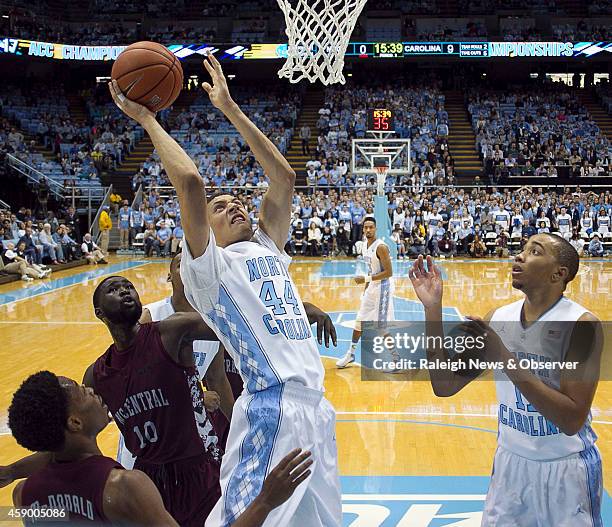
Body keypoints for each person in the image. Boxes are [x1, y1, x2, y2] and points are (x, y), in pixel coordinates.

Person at [109, 54, 341, 527]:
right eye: (220, 206)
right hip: (270, 406)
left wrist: (230, 109)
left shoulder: (266, 249)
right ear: (204, 231)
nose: (233, 203)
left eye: (238, 200)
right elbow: (191, 182)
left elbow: (284, 177)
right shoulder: (209, 270)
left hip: (317, 408)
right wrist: (147, 119)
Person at [409, 233, 603, 527]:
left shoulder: (581, 325)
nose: (520, 256)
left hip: (566, 469)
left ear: (558, 273)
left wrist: (503, 356)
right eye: (523, 249)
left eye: (534, 251)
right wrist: (432, 309)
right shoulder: (499, 317)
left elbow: (571, 419)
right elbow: (445, 385)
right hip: (510, 466)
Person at [3, 371, 316, 526]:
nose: (90, 390)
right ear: (74, 424)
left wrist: (13, 471)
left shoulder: (25, 495)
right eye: (81, 393)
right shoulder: (125, 487)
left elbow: (64, 485)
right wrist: (265, 500)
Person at [336, 217, 394, 368]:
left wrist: (366, 279)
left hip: (384, 288)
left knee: (381, 326)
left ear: (375, 229)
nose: (368, 230)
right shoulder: (363, 246)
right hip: (372, 287)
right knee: (359, 321)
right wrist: (365, 289)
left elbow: (389, 272)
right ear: (363, 229)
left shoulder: (381, 247)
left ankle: (396, 358)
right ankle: (350, 354)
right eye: (366, 227)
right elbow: (371, 269)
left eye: (371, 227)